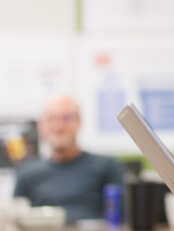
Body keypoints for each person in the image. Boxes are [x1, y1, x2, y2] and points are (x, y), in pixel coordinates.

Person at [13, 96, 124, 224]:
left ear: (79, 122)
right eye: (50, 119)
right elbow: (15, 219)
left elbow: (123, 217)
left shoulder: (107, 166)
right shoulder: (27, 172)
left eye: (66, 118)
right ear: (40, 125)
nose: (59, 127)